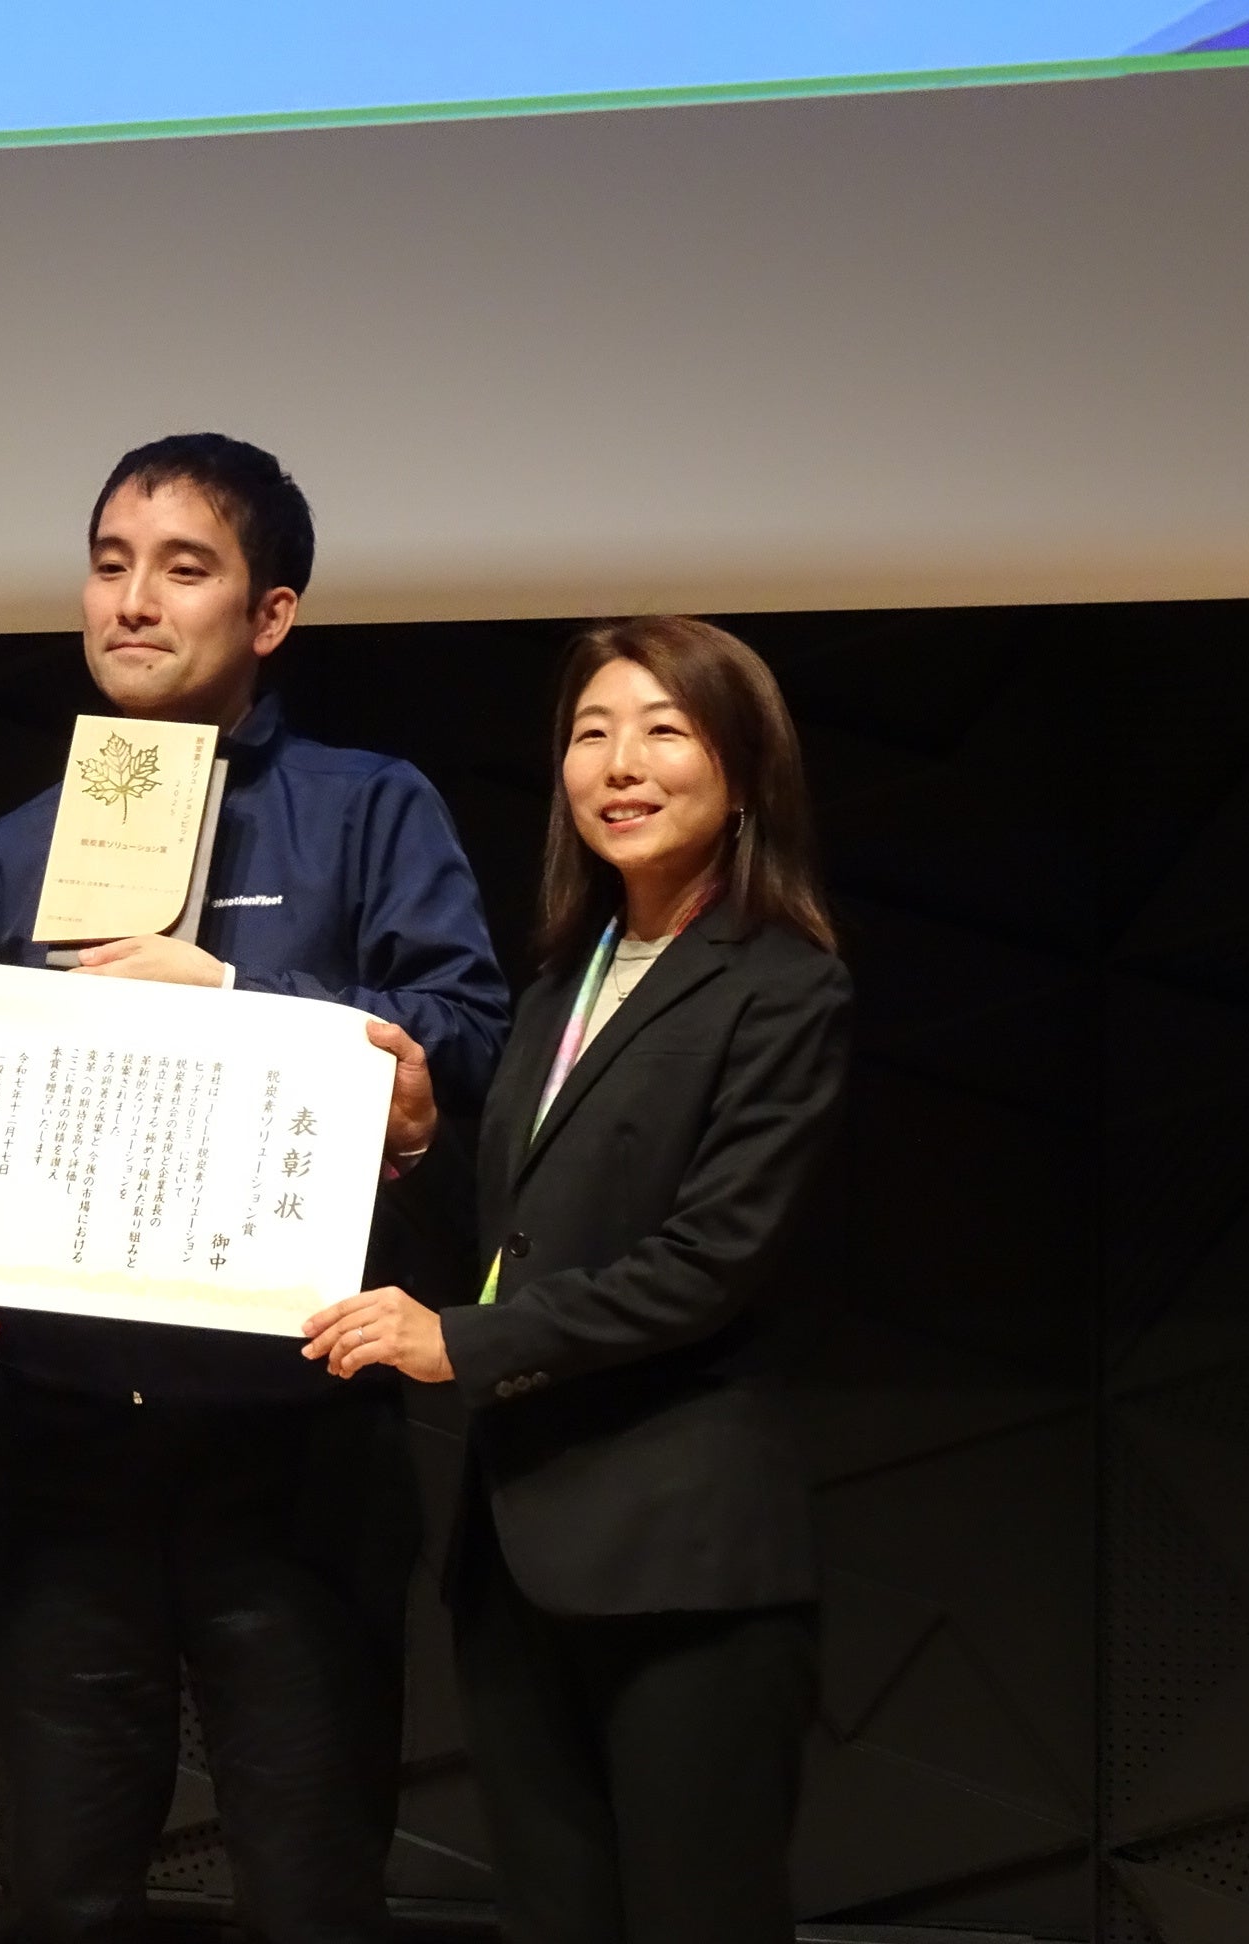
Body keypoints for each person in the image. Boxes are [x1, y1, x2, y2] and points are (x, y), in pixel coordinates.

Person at [0, 434, 510, 1942]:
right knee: (59, 1892)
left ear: (270, 615)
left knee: (309, 1892)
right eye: (109, 565)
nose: (133, 601)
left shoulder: (367, 806)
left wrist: (228, 991)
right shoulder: (22, 843)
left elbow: (466, 1038)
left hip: (296, 1442)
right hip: (64, 1443)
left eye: (183, 568)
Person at [304, 616, 852, 1944]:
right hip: (516, 1549)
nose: (622, 765)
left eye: (666, 731)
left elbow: (711, 1263)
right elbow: (518, 1241)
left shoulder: (787, 989)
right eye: (593, 733)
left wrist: (463, 1345)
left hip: (683, 1559)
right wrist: (414, 1140)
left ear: (743, 770)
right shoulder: (562, 981)